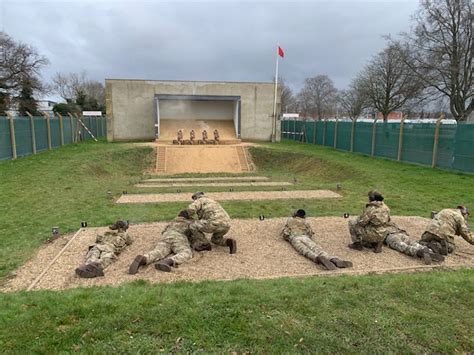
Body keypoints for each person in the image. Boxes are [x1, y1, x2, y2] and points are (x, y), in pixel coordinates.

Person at [282, 209, 352, 270]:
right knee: (317, 248)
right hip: (305, 237)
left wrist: (288, 238)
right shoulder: (305, 222)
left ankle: (317, 258)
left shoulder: (290, 220)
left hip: (295, 238)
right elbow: (310, 232)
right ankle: (333, 259)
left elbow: (285, 233)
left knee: (305, 250)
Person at [129, 210, 194, 274]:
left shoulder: (172, 221)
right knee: (186, 252)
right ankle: (169, 261)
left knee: (158, 252)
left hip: (166, 236)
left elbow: (163, 231)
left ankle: (144, 258)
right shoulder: (190, 222)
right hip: (178, 237)